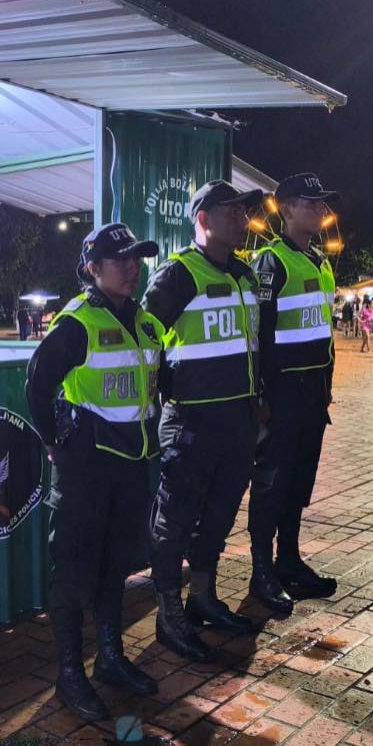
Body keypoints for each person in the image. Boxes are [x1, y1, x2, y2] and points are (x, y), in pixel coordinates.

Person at [25, 223, 165, 721]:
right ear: (93, 268)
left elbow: (156, 385)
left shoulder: (145, 322)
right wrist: (53, 441)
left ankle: (110, 658)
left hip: (131, 467)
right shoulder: (78, 323)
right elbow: (38, 382)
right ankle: (69, 674)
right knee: (73, 571)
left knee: (114, 568)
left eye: (137, 259)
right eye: (119, 259)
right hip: (87, 468)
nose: (132, 267)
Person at [142, 180, 262, 662]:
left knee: (219, 515)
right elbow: (145, 341)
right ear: (203, 219)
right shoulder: (178, 275)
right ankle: (169, 613)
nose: (242, 219)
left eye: (243, 212)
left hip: (239, 420)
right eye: (231, 211)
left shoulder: (244, 275)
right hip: (191, 422)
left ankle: (204, 598)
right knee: (173, 522)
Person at [248, 173, 340, 615]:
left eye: (321, 203)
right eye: (309, 202)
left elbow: (321, 331)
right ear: (285, 210)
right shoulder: (271, 262)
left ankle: (289, 559)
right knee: (271, 484)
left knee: (299, 481)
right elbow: (258, 334)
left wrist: (326, 389)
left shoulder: (320, 262)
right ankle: (261, 571)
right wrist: (262, 396)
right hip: (281, 396)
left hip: (312, 395)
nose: (319, 209)